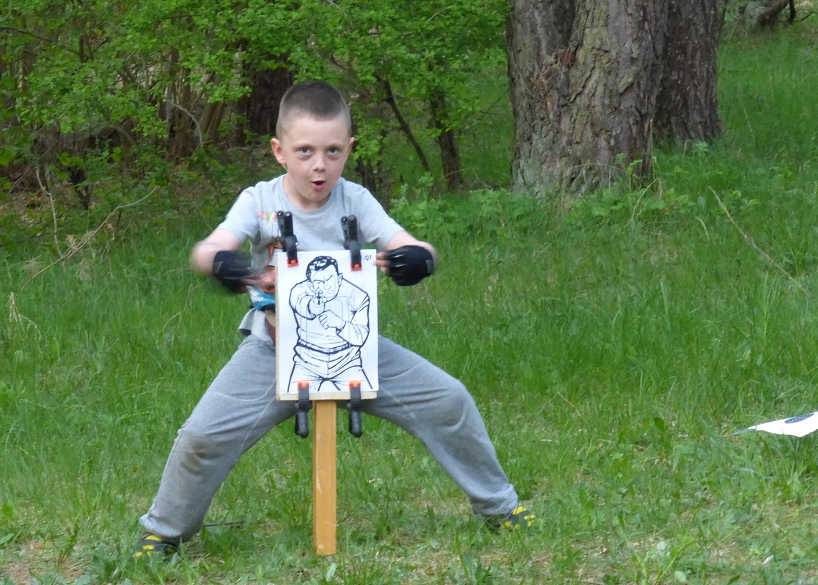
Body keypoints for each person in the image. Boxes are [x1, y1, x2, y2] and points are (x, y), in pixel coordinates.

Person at [134, 80, 535, 559]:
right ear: (279, 151)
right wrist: (227, 265)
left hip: (356, 351)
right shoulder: (259, 200)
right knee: (202, 437)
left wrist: (416, 259)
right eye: (304, 151)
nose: (319, 165)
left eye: (332, 151)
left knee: (449, 400)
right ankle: (164, 532)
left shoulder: (355, 200)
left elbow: (413, 244)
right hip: (274, 349)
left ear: (349, 149)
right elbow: (206, 250)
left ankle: (499, 507)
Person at [286, 254, 372, 393]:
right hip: (307, 361)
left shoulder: (358, 296)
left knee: (365, 397)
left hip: (347, 362)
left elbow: (361, 337)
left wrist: (340, 324)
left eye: (328, 280)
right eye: (318, 282)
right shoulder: (299, 291)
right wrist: (312, 306)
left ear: (339, 278)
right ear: (310, 284)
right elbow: (299, 302)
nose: (324, 286)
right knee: (291, 399)